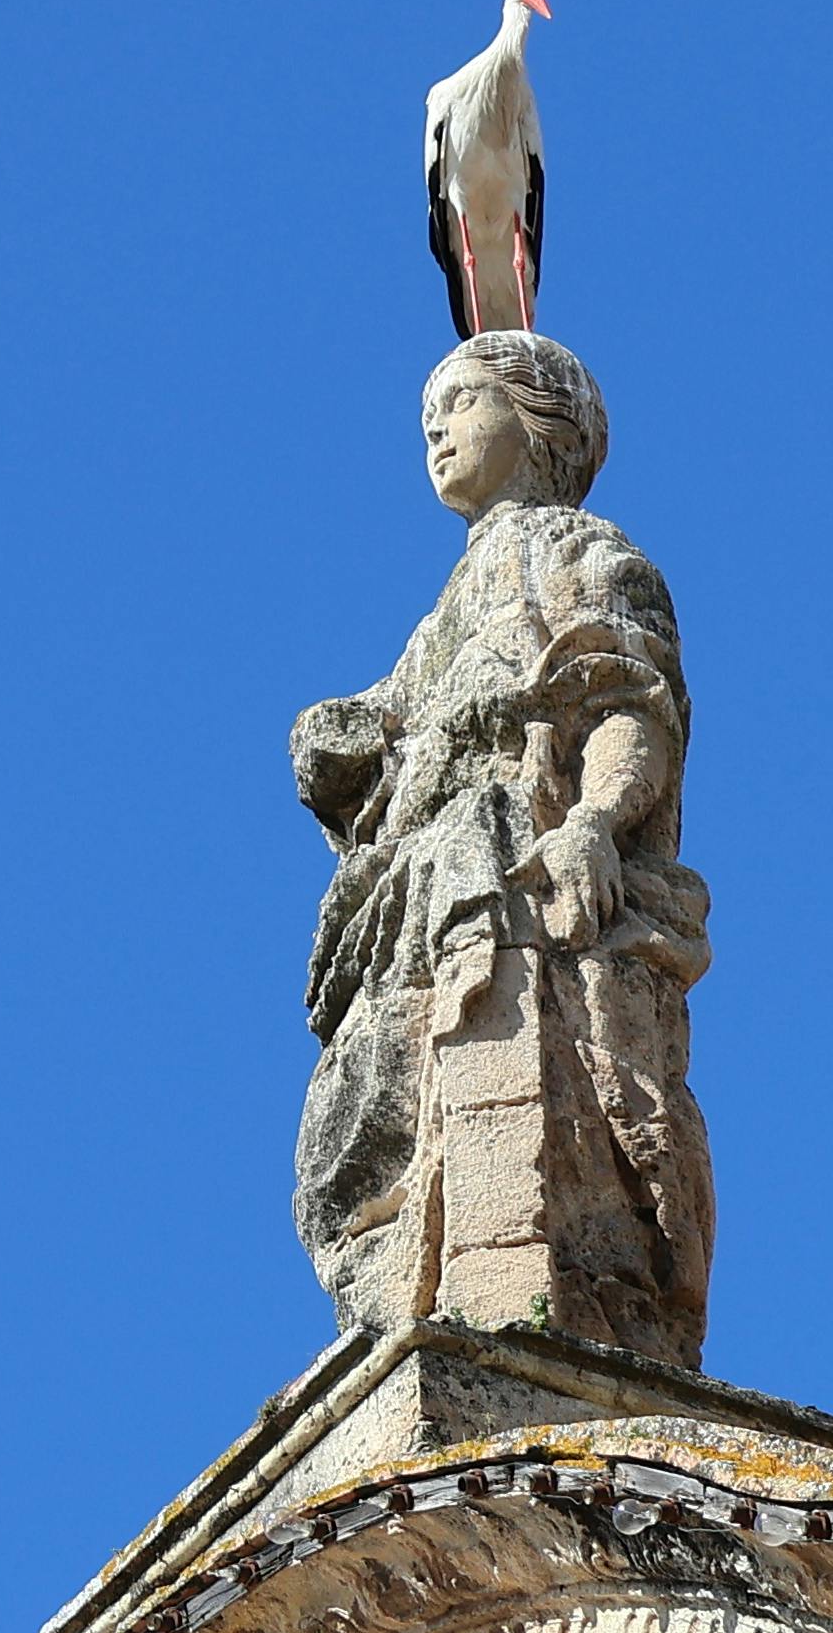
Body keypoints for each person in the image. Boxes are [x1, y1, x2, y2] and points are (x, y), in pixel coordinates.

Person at [287, 335, 714, 1360]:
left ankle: (512, 1300)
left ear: (539, 423)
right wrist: (341, 741)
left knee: (528, 1094)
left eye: (461, 400)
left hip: (520, 875)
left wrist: (595, 823)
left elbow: (627, 704)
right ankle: (404, 1299)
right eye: (428, 409)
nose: (434, 427)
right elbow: (391, 735)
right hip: (419, 898)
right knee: (365, 1114)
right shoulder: (442, 615)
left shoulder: (578, 554)